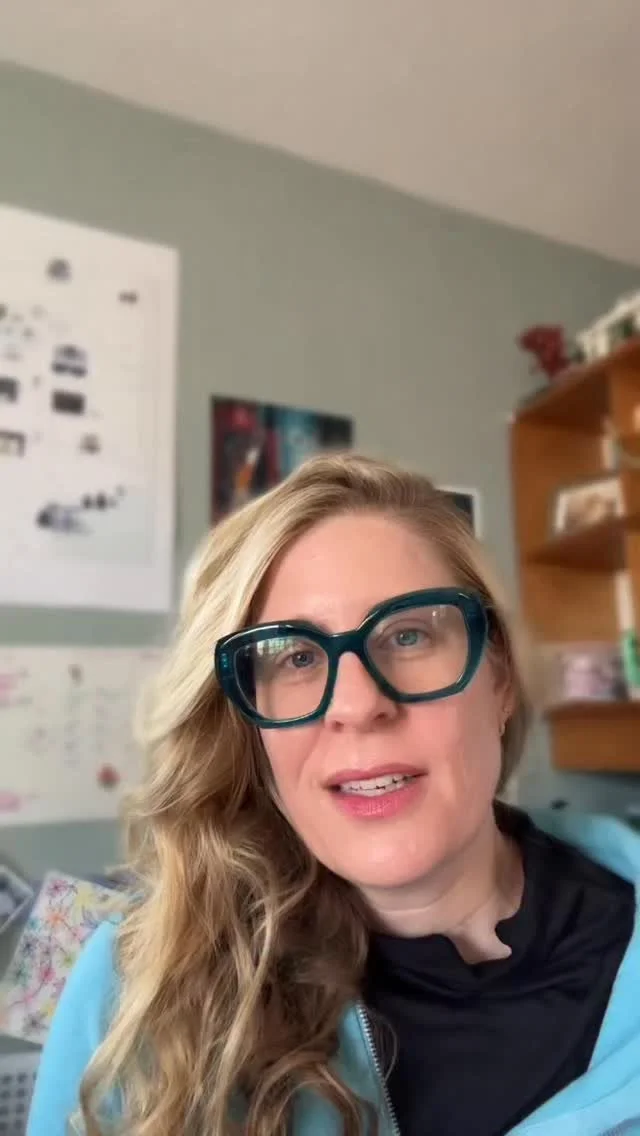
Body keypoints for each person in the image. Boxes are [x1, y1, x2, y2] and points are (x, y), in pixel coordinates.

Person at [28, 452, 640, 1136]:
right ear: (250, 729)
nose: (357, 702)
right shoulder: (129, 995)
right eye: (295, 656)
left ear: (499, 679)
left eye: (409, 634)